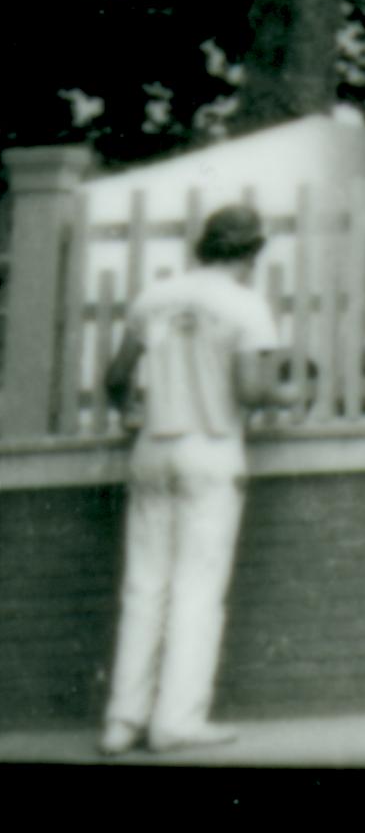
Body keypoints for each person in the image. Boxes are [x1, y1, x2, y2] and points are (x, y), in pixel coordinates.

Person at [98, 204, 312, 756]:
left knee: (144, 588)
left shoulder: (155, 297)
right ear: (251, 253)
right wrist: (291, 394)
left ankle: (122, 722)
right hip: (211, 451)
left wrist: (129, 412)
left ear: (204, 247)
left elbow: (117, 376)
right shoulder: (246, 305)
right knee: (197, 591)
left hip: (153, 449)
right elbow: (249, 391)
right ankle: (177, 722)